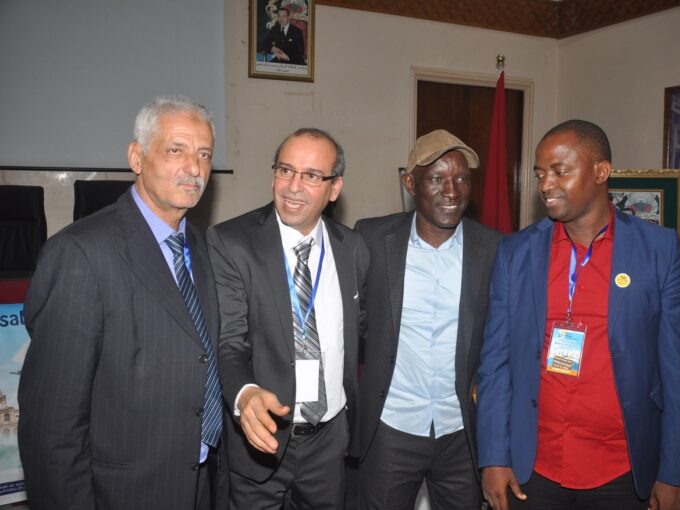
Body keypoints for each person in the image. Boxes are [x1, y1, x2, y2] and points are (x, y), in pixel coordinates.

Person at [477, 120, 680, 510]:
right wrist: (494, 455)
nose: (545, 184)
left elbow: (679, 372)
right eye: (540, 173)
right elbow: (496, 362)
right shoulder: (516, 253)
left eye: (560, 171)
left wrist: (676, 472)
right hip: (535, 466)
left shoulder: (659, 251)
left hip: (621, 468)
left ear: (601, 172)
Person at [19, 95, 227, 510]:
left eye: (204, 154)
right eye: (176, 150)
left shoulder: (203, 247)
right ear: (136, 157)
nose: (194, 168)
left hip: (201, 485)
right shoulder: (80, 254)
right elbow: (52, 429)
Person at [207, 128, 369, 509]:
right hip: (261, 439)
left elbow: (360, 331)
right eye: (285, 170)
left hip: (329, 444)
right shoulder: (232, 242)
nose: (293, 186)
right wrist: (244, 394)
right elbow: (229, 341)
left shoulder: (353, 248)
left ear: (334, 188)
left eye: (312, 175)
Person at [355, 129, 502, 509]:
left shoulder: (493, 248)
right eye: (437, 179)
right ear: (410, 183)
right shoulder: (371, 238)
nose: (452, 192)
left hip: (460, 431)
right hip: (392, 426)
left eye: (462, 179)